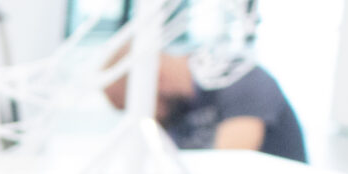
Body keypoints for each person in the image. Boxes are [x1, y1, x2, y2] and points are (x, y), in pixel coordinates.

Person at [102, 50, 308, 162]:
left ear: (158, 79)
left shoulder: (240, 79)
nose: (147, 117)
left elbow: (231, 165)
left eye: (142, 107)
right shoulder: (176, 106)